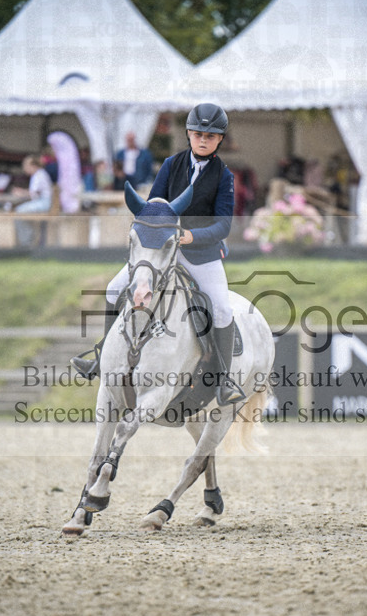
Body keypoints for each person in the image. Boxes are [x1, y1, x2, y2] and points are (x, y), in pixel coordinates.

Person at [70, 102, 245, 405]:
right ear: (189, 134)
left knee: (222, 309)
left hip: (200, 252)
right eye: (198, 133)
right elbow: (153, 208)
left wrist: (191, 236)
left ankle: (224, 380)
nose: (203, 139)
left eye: (211, 136)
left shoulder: (224, 176)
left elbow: (223, 225)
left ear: (219, 140)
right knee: (114, 289)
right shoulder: (170, 165)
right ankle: (101, 358)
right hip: (161, 250)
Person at [13, 154, 54, 247]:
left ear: (33, 166)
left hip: (44, 203)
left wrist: (20, 193)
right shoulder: (38, 174)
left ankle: (27, 242)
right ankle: (29, 239)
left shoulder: (39, 174)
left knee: (18, 212)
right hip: (42, 202)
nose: (24, 168)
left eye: (26, 166)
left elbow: (32, 193)